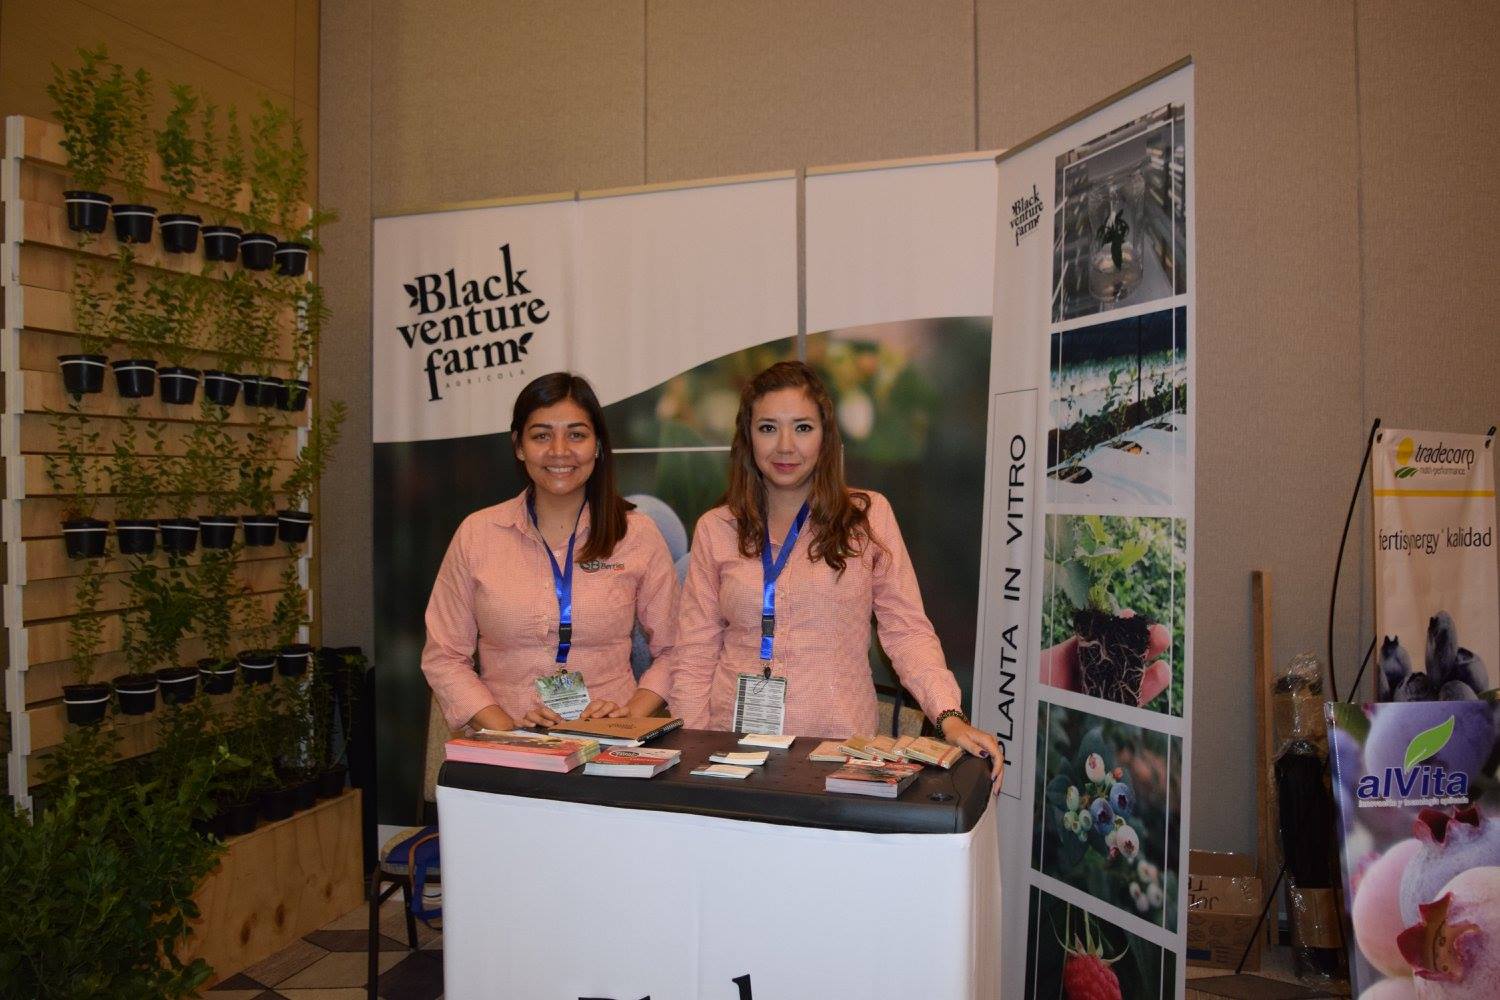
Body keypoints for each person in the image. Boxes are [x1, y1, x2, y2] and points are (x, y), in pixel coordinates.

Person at [639, 360, 1004, 789]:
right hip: (732, 753)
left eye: (803, 428)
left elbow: (906, 631)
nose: (786, 446)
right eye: (768, 428)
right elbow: (696, 652)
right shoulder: (717, 528)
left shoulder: (868, 518)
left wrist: (949, 716)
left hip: (840, 753)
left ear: (826, 437)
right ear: (747, 438)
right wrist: (696, 750)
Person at [420, 372, 678, 732]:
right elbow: (444, 656)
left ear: (598, 445)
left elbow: (677, 649)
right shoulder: (477, 534)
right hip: (506, 743)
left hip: (609, 746)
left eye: (576, 435)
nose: (559, 451)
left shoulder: (636, 534)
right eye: (542, 435)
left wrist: (629, 715)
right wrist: (507, 731)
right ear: (519, 446)